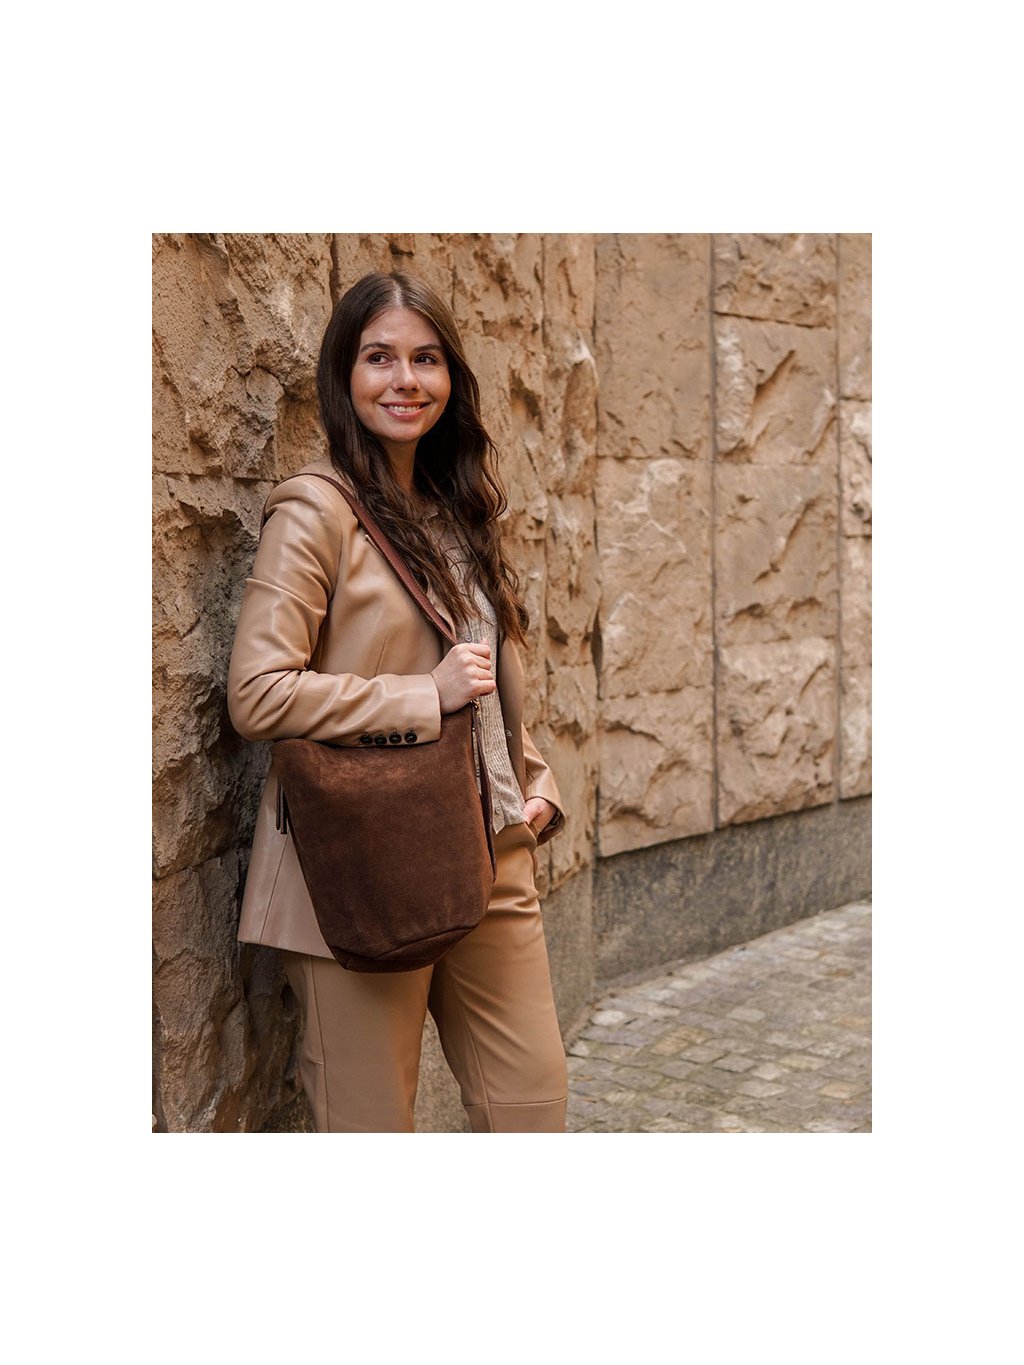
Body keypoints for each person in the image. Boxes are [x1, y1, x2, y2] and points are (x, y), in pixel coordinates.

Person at [227, 271, 569, 1133]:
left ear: (451, 377)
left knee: (532, 1109)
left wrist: (532, 777)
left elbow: (485, 672)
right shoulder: (315, 511)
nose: (405, 379)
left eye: (426, 359)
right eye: (379, 357)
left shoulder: (458, 509)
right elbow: (257, 693)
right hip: (366, 864)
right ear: (343, 374)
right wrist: (423, 695)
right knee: (371, 1127)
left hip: (492, 852)